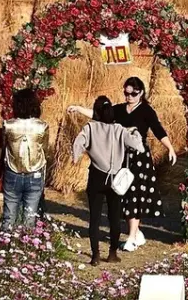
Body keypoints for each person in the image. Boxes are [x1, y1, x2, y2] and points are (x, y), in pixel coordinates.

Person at [68, 76, 176, 252]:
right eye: (126, 93)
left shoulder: (147, 111)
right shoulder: (119, 109)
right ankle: (136, 231)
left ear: (141, 92)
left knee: (135, 195)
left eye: (133, 93)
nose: (129, 97)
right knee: (122, 194)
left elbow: (158, 129)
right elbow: (99, 115)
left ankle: (132, 237)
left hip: (139, 159)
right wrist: (79, 109)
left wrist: (170, 148)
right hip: (121, 158)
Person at [72, 96, 144, 266]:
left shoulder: (90, 128)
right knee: (114, 217)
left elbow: (78, 143)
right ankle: (112, 253)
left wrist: (75, 157)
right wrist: (135, 132)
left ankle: (95, 255)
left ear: (95, 111)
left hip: (96, 177)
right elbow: (138, 146)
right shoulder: (119, 129)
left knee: (95, 218)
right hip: (116, 180)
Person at [1, 88, 49, 231]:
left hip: (12, 173)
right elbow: (44, 149)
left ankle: (5, 249)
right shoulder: (42, 126)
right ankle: (27, 249)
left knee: (9, 216)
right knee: (30, 217)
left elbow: (5, 147)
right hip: (35, 174)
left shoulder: (8, 125)